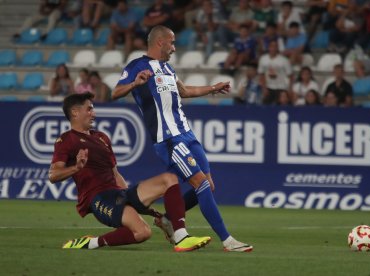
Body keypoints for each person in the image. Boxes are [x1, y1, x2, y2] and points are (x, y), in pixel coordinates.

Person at [111, 25, 253, 252]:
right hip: (169, 139)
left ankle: (167, 219)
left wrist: (213, 88)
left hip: (187, 134)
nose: (174, 48)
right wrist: (135, 83)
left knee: (209, 185)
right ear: (160, 43)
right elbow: (115, 92)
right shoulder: (137, 66)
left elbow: (185, 91)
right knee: (201, 183)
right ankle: (227, 240)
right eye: (172, 43)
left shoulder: (167, 68)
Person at [49, 92, 211, 252]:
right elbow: (54, 175)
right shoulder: (66, 140)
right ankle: (91, 243)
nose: (94, 113)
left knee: (169, 179)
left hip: (118, 194)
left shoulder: (102, 137)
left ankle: (182, 237)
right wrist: (76, 168)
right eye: (89, 109)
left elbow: (115, 174)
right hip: (99, 199)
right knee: (143, 232)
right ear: (75, 112)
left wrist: (132, 201)